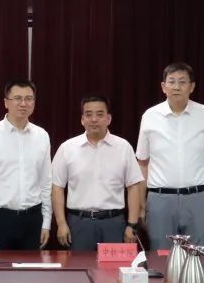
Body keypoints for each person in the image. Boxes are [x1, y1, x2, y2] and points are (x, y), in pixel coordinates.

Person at [136, 62, 204, 251]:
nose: (176, 87)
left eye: (182, 82)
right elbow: (142, 163)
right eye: (172, 82)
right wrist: (141, 204)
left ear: (192, 87)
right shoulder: (150, 116)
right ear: (163, 86)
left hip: (198, 198)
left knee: (198, 257)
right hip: (160, 199)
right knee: (161, 257)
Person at [51, 95, 144, 251]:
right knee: (78, 266)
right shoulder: (67, 148)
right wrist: (61, 223)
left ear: (108, 119)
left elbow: (133, 186)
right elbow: (57, 187)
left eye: (100, 114)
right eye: (88, 115)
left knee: (114, 267)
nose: (94, 119)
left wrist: (132, 224)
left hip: (113, 223)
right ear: (82, 119)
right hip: (79, 223)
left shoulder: (123, 147)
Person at [0, 80, 51, 250]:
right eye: (17, 98)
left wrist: (46, 222)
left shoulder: (42, 136)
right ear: (6, 102)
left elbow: (45, 182)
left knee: (31, 267)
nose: (23, 103)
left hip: (32, 219)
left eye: (29, 98)